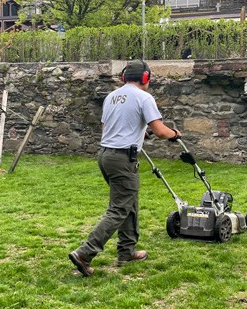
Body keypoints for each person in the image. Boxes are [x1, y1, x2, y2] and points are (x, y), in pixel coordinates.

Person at [69, 59, 182, 276]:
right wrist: (174, 134)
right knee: (119, 208)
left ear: (124, 77)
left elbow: (110, 128)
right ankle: (84, 253)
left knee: (128, 202)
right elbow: (160, 131)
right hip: (122, 159)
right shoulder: (144, 97)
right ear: (145, 77)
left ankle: (126, 251)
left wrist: (140, 134)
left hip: (105, 156)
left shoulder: (111, 97)